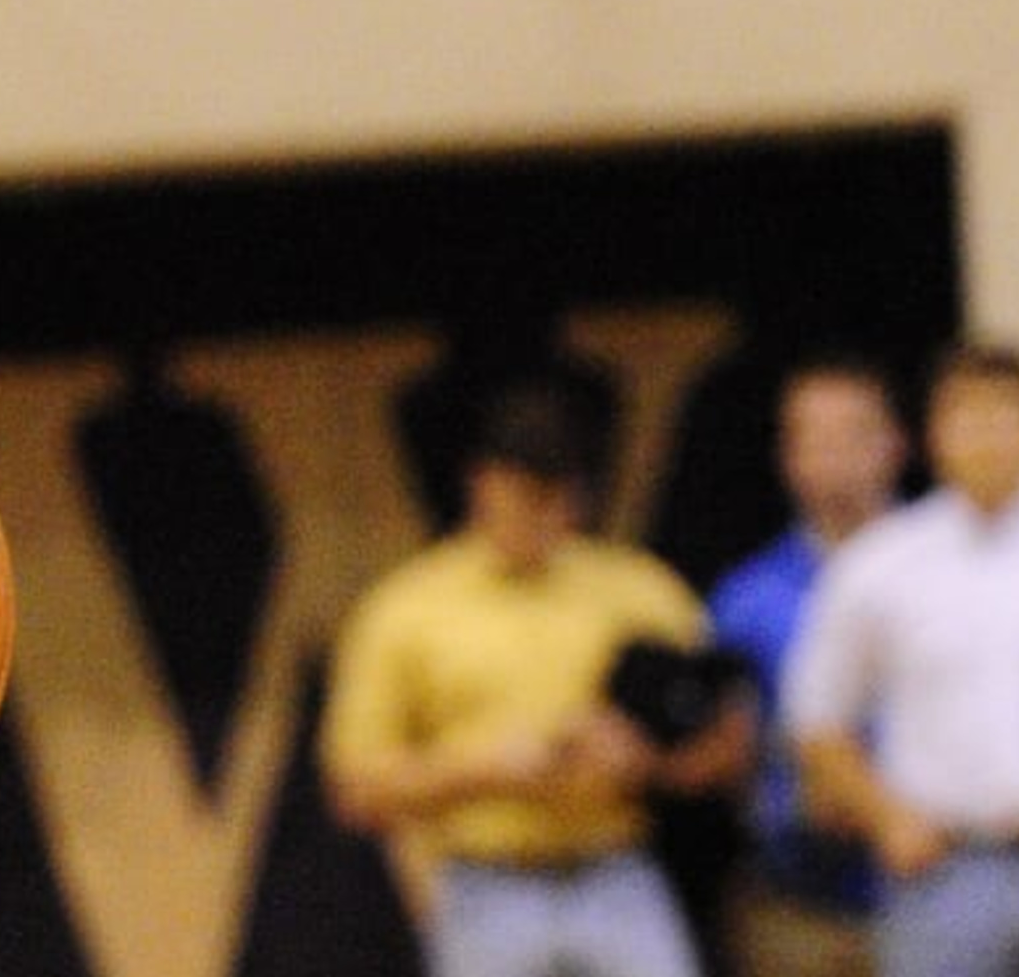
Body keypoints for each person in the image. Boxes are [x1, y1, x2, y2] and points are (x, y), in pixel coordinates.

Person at [322, 382, 752, 977]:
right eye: (527, 496)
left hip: (617, 871)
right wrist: (482, 769)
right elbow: (356, 789)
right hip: (485, 881)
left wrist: (646, 764)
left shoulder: (639, 590)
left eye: (563, 497)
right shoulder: (407, 608)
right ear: (482, 484)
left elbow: (731, 743)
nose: (549, 515)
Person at [785, 344, 1019, 977]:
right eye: (969, 417)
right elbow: (817, 721)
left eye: (1007, 415)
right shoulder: (880, 561)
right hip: (946, 865)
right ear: (932, 434)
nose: (990, 436)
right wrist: (889, 818)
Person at [707, 353, 911, 977]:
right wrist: (791, 793)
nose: (835, 459)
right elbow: (724, 757)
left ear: (898, 444)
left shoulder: (961, 572)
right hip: (799, 901)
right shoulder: (746, 598)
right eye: (813, 439)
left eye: (854, 435)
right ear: (787, 456)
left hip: (943, 885)